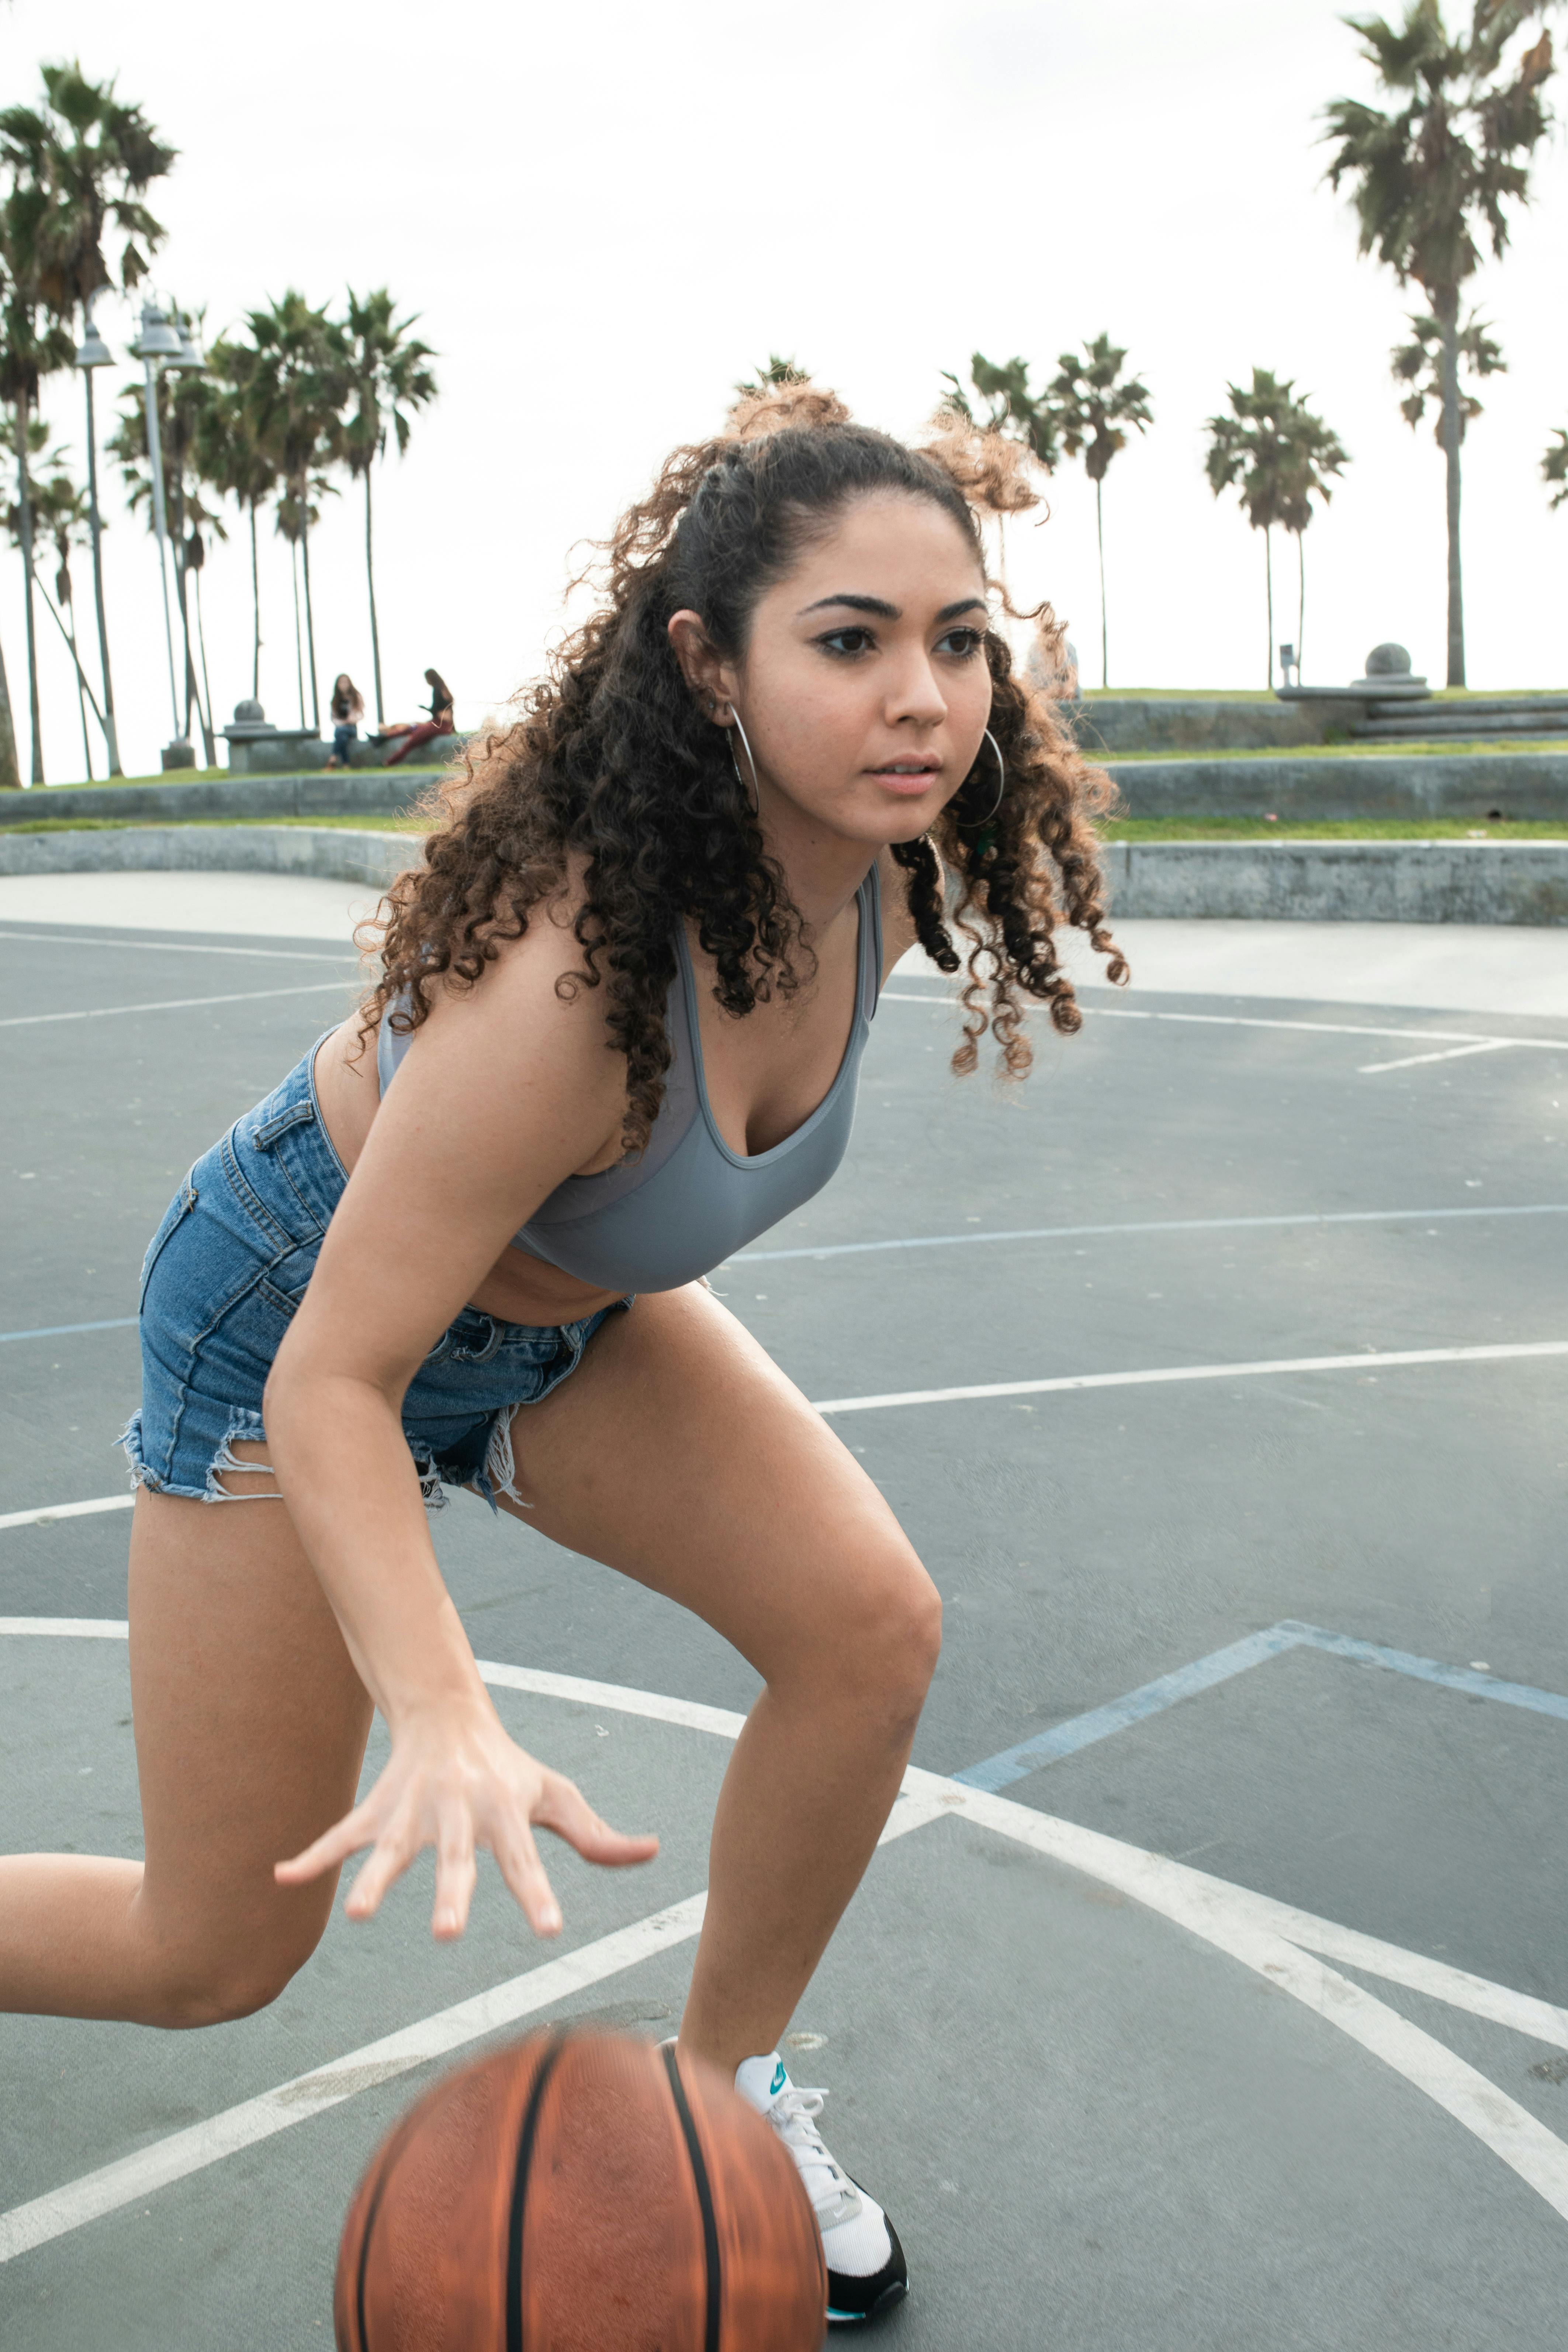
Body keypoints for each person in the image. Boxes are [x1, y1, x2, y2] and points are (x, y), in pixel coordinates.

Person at [0, 384, 1123, 2326]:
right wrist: (435, 1700)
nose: (921, 693)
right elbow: (331, 1377)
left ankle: (726, 2094)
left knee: (866, 1628)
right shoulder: (572, 980)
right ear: (705, 665)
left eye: (956, 638)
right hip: (298, 1311)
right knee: (208, 1955)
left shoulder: (867, 883)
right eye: (847, 641)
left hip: (550, 1317)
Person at [383, 667, 455, 765]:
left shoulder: (438, 690)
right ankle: (383, 738)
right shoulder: (443, 690)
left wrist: (426, 709)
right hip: (439, 724)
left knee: (413, 738)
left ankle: (390, 761)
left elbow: (438, 711)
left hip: (440, 725)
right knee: (413, 727)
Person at [324, 674, 365, 770]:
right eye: (341, 682)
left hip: (352, 728)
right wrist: (342, 723)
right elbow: (333, 718)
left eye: (346, 682)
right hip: (341, 728)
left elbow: (361, 714)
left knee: (340, 732)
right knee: (342, 737)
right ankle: (346, 765)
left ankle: (333, 759)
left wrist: (353, 719)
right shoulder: (335, 700)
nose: (344, 685)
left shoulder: (356, 697)